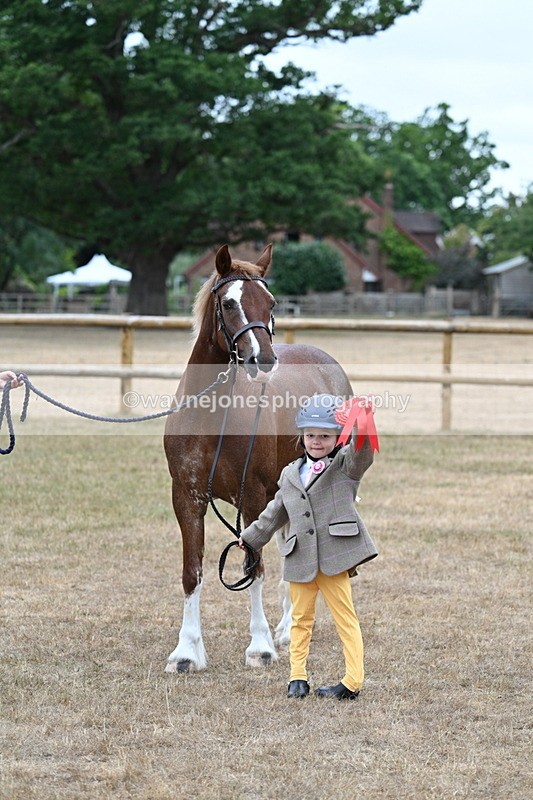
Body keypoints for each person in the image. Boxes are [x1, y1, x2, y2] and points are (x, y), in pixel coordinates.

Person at [238, 393, 378, 701]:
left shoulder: (345, 466)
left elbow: (363, 454)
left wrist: (363, 424)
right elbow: (276, 511)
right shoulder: (290, 473)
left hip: (334, 557)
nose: (316, 441)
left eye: (325, 435)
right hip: (299, 557)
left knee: (345, 618)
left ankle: (352, 681)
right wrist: (251, 537)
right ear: (302, 436)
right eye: (311, 435)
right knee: (300, 619)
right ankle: (297, 677)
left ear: (336, 437)